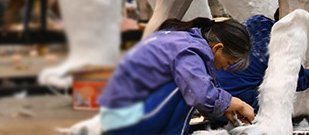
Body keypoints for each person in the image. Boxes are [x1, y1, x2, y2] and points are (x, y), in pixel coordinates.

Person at [97, 17, 255, 134]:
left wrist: (224, 108)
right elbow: (201, 94)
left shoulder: (184, 39)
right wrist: (237, 103)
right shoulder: (189, 52)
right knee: (186, 89)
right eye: (228, 62)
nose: (225, 68)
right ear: (217, 48)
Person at [216, 12, 309, 111]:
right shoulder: (282, 45)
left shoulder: (256, 21)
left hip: (212, 97)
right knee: (277, 92)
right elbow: (298, 81)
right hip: (236, 106)